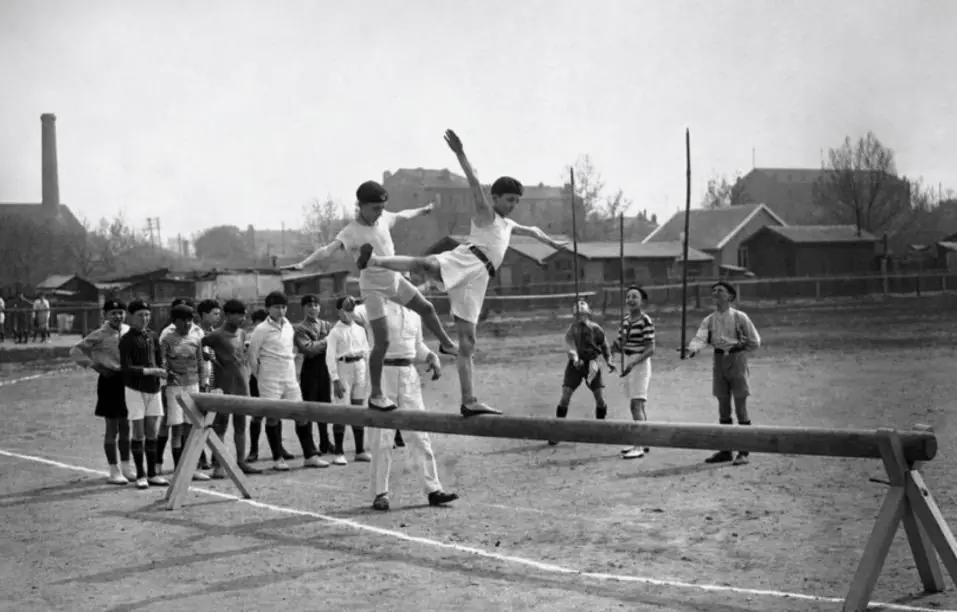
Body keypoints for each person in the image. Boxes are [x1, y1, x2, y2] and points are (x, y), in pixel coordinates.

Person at [362, 129, 566, 416]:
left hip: (479, 280)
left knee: (467, 342)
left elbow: (531, 229)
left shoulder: (507, 225)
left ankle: (469, 400)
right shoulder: (486, 213)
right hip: (468, 259)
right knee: (425, 265)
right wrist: (460, 153)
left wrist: (550, 241)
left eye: (517, 201)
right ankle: (376, 261)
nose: (513, 205)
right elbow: (473, 181)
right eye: (509, 200)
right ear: (495, 198)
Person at [288, 180, 458, 412]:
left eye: (382, 208)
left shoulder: (384, 217)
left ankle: (447, 344)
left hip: (394, 279)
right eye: (375, 208)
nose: (380, 213)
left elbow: (403, 214)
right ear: (361, 206)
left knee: (427, 307)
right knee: (383, 341)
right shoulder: (351, 231)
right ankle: (377, 395)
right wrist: (304, 263)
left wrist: (423, 210)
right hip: (373, 288)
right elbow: (327, 250)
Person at [363, 298, 459, 511]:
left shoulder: (415, 313)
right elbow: (353, 314)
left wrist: (431, 356)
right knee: (382, 438)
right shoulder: (374, 306)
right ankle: (380, 493)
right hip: (383, 374)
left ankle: (433, 489)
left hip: (408, 375)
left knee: (419, 433)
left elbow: (416, 346)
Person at [685, 281, 761, 466]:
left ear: (730, 296)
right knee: (723, 405)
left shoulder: (740, 317)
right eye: (713, 291)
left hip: (736, 360)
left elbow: (755, 341)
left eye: (720, 290)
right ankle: (726, 449)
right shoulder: (709, 319)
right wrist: (691, 349)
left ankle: (743, 451)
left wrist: (740, 346)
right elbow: (700, 338)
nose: (715, 293)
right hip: (718, 361)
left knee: (740, 405)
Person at [247, 291, 323, 470]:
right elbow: (252, 355)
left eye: (283, 307)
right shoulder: (261, 329)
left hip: (289, 377)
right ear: (268, 309)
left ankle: (310, 455)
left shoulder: (289, 326)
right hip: (269, 378)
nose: (280, 311)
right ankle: (277, 458)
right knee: (273, 417)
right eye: (276, 307)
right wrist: (261, 376)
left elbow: (292, 351)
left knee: (300, 414)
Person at [69, 299, 135, 484]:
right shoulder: (99, 334)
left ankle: (126, 466)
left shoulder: (130, 331)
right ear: (105, 315)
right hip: (110, 381)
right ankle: (113, 470)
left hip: (128, 381)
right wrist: (94, 365)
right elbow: (75, 350)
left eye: (120, 312)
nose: (117, 316)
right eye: (113, 313)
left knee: (126, 426)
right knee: (112, 427)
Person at [202, 299, 265, 476]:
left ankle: (241, 461)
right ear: (228, 315)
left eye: (244, 315)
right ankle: (220, 465)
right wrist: (210, 359)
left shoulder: (243, 333)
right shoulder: (216, 335)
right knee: (220, 426)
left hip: (242, 384)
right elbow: (199, 347)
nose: (242, 318)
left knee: (240, 425)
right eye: (239, 315)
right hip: (224, 385)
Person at [550, 300, 615, 446]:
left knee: (599, 397)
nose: (580, 317)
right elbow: (570, 346)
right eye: (577, 315)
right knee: (565, 395)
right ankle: (558, 431)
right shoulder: (572, 330)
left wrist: (609, 360)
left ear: (588, 314)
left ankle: (601, 429)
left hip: (592, 363)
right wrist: (575, 358)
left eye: (583, 314)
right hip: (575, 365)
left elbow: (604, 346)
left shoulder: (596, 329)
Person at [119, 299, 169, 489]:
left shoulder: (153, 336)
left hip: (153, 388)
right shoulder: (127, 339)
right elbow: (126, 367)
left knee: (152, 432)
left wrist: (162, 369)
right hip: (135, 389)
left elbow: (158, 359)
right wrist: (150, 371)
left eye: (147, 315)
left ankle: (153, 473)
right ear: (132, 317)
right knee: (138, 432)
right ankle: (140, 474)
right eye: (140, 315)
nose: (145, 318)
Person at [157, 297, 205, 477]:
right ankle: (177, 469)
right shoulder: (167, 337)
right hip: (174, 388)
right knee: (176, 427)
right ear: (174, 321)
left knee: (190, 427)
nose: (187, 323)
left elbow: (200, 361)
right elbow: (162, 362)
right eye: (183, 320)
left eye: (189, 320)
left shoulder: (196, 336)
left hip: (193, 386)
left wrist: (203, 382)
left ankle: (190, 467)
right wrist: (167, 378)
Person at [324, 295, 372, 465]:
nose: (348, 314)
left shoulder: (359, 329)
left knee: (358, 407)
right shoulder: (335, 332)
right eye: (345, 310)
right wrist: (335, 379)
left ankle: (360, 450)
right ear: (339, 311)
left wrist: (367, 374)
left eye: (351, 310)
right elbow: (330, 358)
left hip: (359, 366)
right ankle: (339, 451)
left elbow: (366, 350)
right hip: (343, 367)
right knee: (341, 409)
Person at [608, 286, 655, 460]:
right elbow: (620, 342)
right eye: (628, 297)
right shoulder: (626, 320)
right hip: (629, 362)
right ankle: (644, 440)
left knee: (636, 404)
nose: (630, 300)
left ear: (642, 301)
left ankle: (639, 446)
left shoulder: (645, 320)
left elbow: (651, 349)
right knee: (638, 405)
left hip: (640, 363)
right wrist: (609, 352)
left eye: (635, 297)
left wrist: (633, 364)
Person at [294, 294, 335, 456]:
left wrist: (319, 343)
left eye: (316, 305)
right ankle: (311, 444)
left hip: (325, 367)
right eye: (309, 306)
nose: (313, 309)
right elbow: (308, 350)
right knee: (309, 406)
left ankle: (325, 441)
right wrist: (326, 341)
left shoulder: (326, 324)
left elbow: (336, 344)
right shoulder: (300, 328)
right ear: (303, 308)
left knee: (324, 405)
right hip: (310, 369)